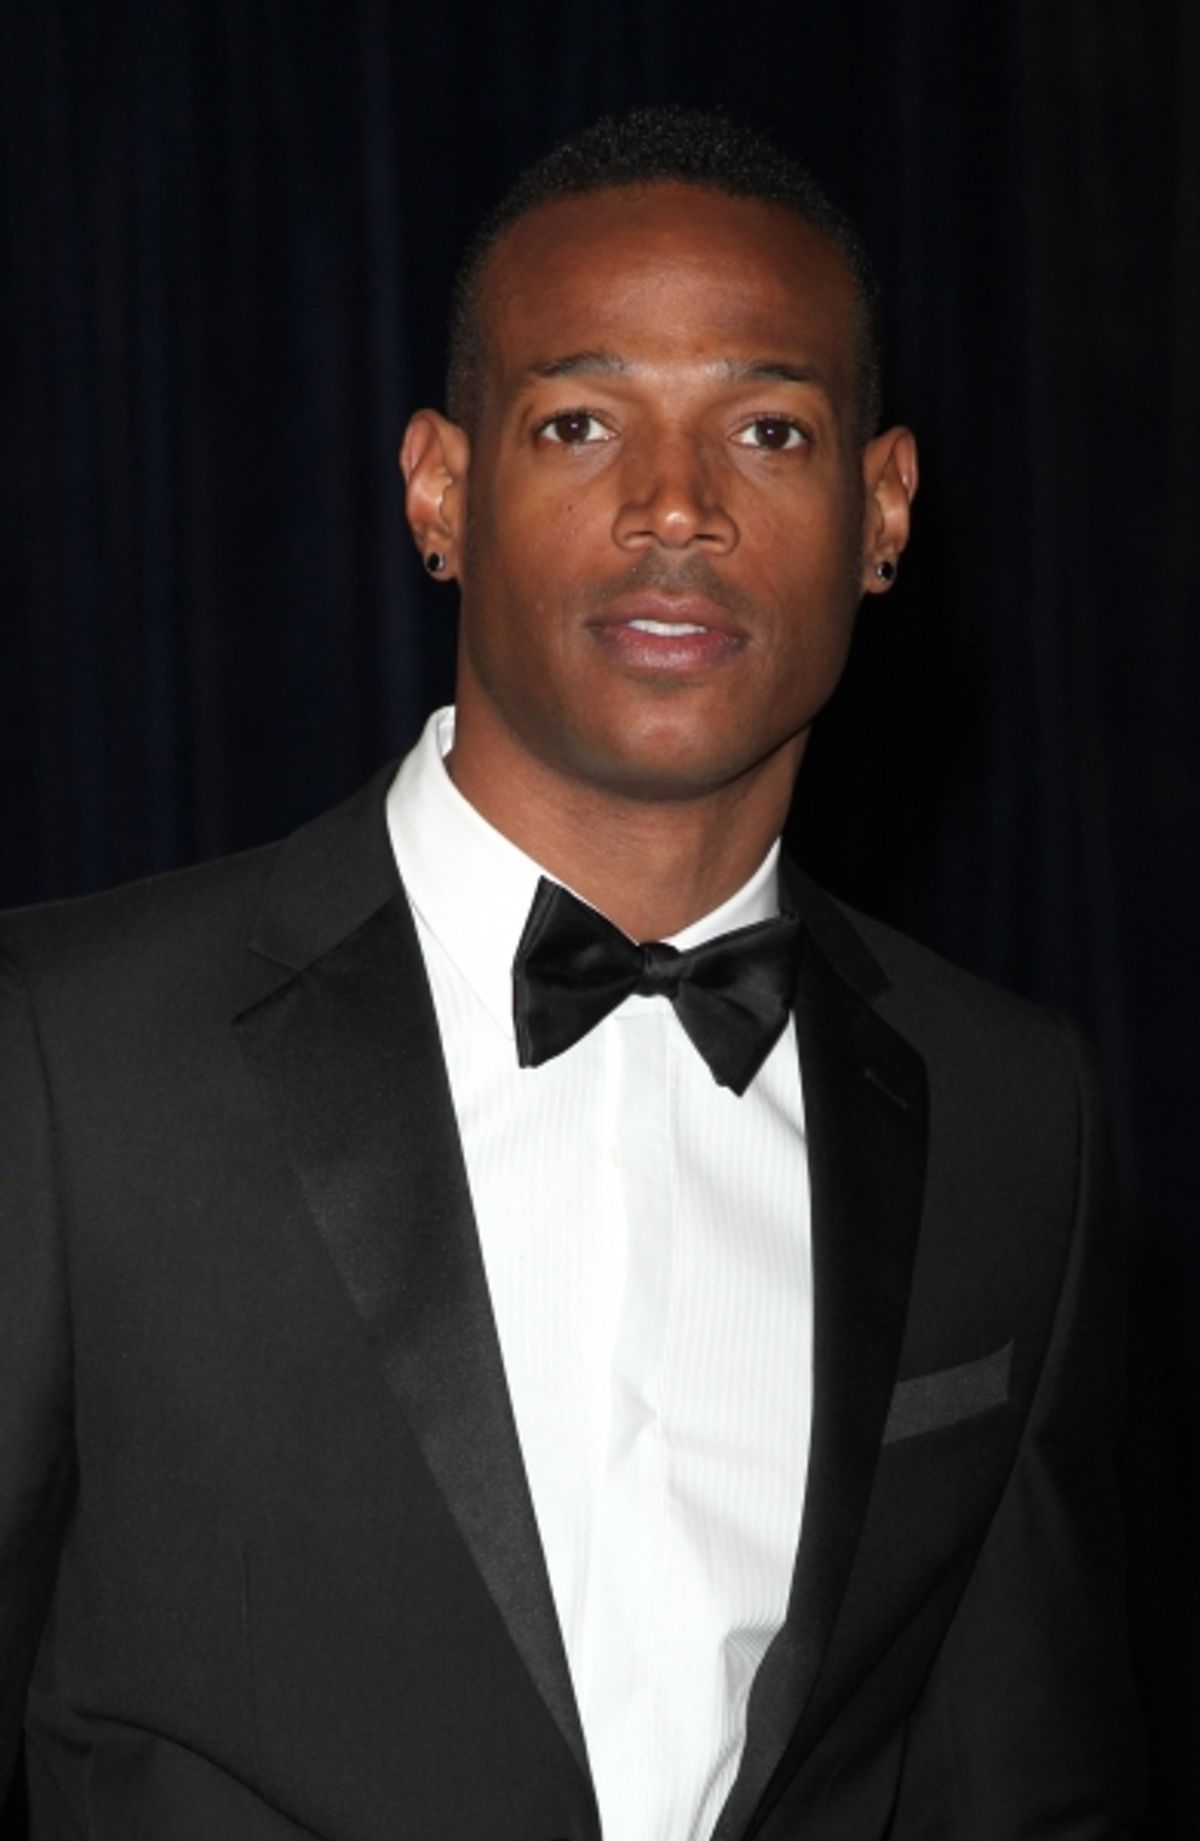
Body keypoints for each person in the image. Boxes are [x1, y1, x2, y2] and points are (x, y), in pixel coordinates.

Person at [0, 106, 1143, 1841]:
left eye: (767, 428)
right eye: (582, 422)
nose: (677, 504)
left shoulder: (1014, 1114)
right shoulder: (68, 1057)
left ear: (882, 509)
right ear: (440, 491)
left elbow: (1021, 1784)